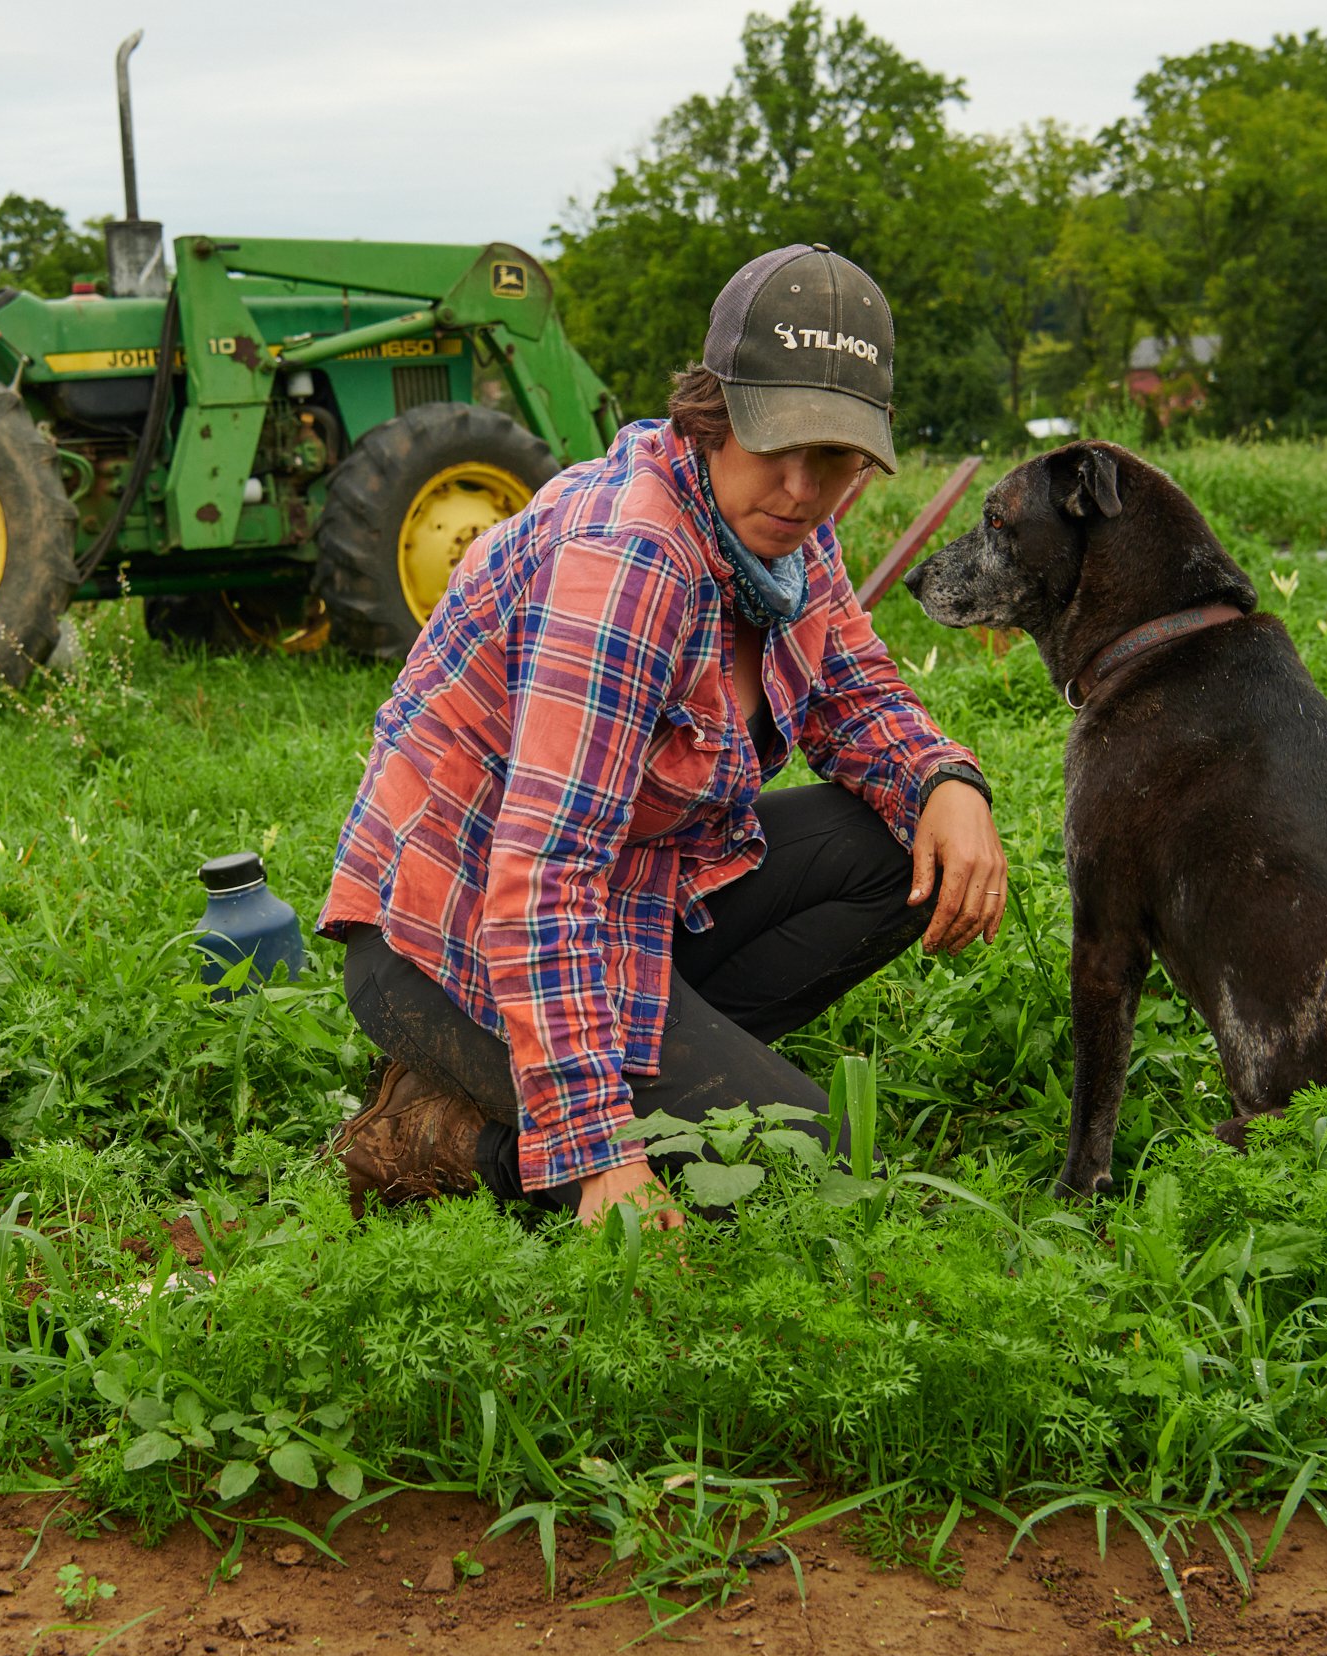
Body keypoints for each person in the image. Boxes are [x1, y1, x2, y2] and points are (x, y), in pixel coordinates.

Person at [319, 244, 1006, 1225]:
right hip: (448, 939)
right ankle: (453, 1136)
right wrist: (600, 1148)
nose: (805, 488)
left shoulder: (782, 536)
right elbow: (543, 871)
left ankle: (631, 1077)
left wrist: (946, 781)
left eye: (837, 456)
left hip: (627, 906)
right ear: (714, 410)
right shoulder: (629, 561)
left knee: (900, 846)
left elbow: (855, 692)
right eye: (781, 444)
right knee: (793, 1156)